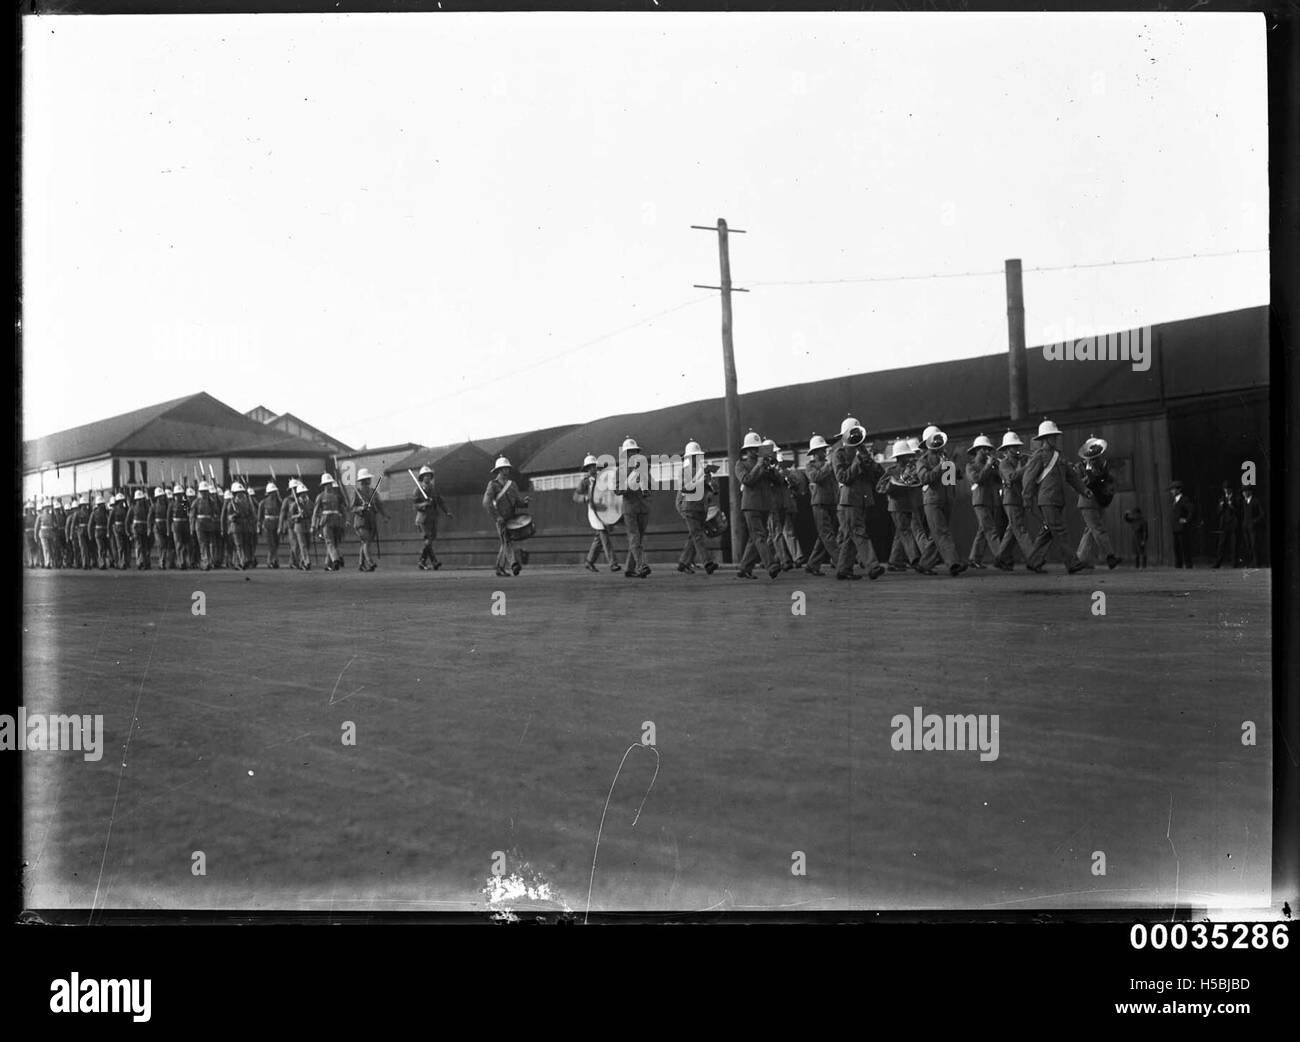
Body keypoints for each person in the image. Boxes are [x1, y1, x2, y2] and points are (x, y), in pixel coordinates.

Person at [1022, 419, 1092, 574]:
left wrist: (1083, 489)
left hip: (1057, 500)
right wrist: (1027, 499)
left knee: (1047, 532)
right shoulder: (1039, 456)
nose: (1055, 439)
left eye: (1055, 436)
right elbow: (1028, 478)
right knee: (1060, 531)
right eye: (1052, 436)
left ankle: (1033, 561)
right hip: (1047, 500)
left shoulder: (1058, 457)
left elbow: (1071, 476)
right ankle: (1072, 563)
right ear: (1045, 439)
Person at [832, 416, 886, 582]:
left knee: (850, 536)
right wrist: (857, 462)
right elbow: (842, 477)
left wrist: (869, 462)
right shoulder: (838, 454)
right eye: (852, 434)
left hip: (862, 499)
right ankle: (872, 566)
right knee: (859, 533)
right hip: (850, 500)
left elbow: (877, 475)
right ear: (844, 436)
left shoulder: (862, 452)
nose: (855, 438)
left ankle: (843, 569)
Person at [915, 425, 966, 577]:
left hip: (947, 499)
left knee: (936, 535)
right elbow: (925, 478)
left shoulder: (945, 457)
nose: (937, 442)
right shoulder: (922, 461)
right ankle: (954, 563)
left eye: (938, 439)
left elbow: (952, 478)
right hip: (932, 501)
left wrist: (953, 466)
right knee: (942, 532)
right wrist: (940, 467)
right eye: (934, 439)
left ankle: (924, 565)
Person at [734, 431, 780, 580]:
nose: (755, 450)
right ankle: (771, 564)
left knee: (756, 538)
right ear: (746, 450)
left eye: (757, 447)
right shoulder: (740, 464)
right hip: (750, 505)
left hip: (764, 504)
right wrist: (759, 466)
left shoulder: (764, 463)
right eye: (752, 448)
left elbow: (777, 481)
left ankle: (744, 568)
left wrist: (770, 468)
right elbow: (747, 480)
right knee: (759, 536)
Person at [1074, 435, 1121, 569]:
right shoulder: (1079, 467)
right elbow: (1077, 484)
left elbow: (1105, 481)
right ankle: (1110, 556)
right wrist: (1090, 476)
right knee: (1098, 529)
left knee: (1090, 531)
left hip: (1098, 501)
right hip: (1087, 502)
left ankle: (1080, 559)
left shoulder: (1101, 465)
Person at [993, 431, 1036, 571]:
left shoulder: (1020, 460)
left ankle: (1000, 558)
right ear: (1006, 449)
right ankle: (1034, 559)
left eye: (1017, 446)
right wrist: (1027, 466)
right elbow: (1011, 477)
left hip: (1019, 498)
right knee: (1020, 529)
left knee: (1012, 530)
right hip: (1010, 499)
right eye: (1013, 446)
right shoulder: (1004, 463)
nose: (1017, 448)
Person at [675, 440, 717, 575]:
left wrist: (710, 481)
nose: (697, 459)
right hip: (690, 508)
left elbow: (712, 491)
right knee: (698, 536)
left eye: (698, 456)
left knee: (693, 536)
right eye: (694, 456)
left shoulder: (702, 472)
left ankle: (683, 562)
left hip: (701, 508)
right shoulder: (683, 472)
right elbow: (685, 488)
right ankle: (708, 562)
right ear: (688, 458)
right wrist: (700, 479)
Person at [574, 455, 620, 572]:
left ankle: (589, 561)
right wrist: (585, 498)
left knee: (599, 538)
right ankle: (613, 563)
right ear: (586, 469)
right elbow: (575, 496)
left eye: (593, 466)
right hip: (594, 511)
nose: (592, 469)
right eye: (589, 467)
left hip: (604, 510)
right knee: (604, 535)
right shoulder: (585, 482)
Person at [484, 457, 528, 577]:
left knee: (505, 542)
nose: (506, 471)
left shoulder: (512, 484)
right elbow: (486, 503)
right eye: (503, 468)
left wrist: (524, 502)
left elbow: (517, 501)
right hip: (501, 518)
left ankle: (500, 567)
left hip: (511, 517)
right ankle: (513, 564)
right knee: (506, 540)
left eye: (507, 468)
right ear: (498, 470)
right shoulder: (493, 485)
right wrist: (497, 517)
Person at [803, 434, 838, 577]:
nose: (824, 452)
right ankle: (842, 562)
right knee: (827, 535)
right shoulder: (809, 466)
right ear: (815, 453)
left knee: (823, 536)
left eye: (824, 449)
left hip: (831, 502)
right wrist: (828, 465)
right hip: (819, 503)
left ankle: (812, 565)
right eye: (821, 450)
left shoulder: (829, 464)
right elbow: (815, 478)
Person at [617, 436, 652, 579]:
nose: (633, 454)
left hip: (643, 507)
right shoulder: (621, 470)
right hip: (629, 507)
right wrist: (629, 485)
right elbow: (616, 490)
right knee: (634, 537)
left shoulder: (644, 468)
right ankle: (641, 565)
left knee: (638, 539)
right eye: (630, 452)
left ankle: (629, 569)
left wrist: (646, 487)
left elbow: (650, 486)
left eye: (634, 451)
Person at [964, 434, 1001, 569]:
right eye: (983, 449)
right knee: (991, 530)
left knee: (983, 531)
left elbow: (1000, 480)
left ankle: (974, 558)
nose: (987, 452)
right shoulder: (971, 466)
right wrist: (988, 466)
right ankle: (1001, 557)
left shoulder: (990, 466)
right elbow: (977, 479)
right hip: (980, 502)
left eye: (988, 449)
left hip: (991, 501)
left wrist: (997, 467)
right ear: (976, 450)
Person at [413, 465, 454, 571]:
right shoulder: (418, 490)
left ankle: (430, 562)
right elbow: (415, 505)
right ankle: (426, 560)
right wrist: (425, 504)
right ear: (421, 478)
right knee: (428, 540)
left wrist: (447, 512)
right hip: (422, 519)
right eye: (425, 476)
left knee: (431, 540)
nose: (427, 477)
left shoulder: (433, 489)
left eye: (429, 475)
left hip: (433, 518)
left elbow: (440, 501)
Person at [351, 468, 389, 572]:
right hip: (360, 522)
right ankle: (370, 562)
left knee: (364, 543)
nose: (369, 480)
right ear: (362, 481)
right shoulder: (357, 493)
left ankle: (361, 564)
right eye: (367, 478)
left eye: (369, 478)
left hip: (371, 521)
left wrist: (385, 516)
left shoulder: (373, 492)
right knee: (366, 541)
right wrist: (361, 508)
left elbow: (380, 505)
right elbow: (352, 508)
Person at [311, 473, 348, 572]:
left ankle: (331, 562)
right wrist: (313, 525)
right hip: (326, 521)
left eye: (330, 483)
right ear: (323, 485)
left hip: (336, 521)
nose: (329, 485)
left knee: (333, 543)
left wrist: (346, 520)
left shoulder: (337, 496)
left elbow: (343, 509)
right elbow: (315, 512)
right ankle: (333, 561)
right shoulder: (320, 496)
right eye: (327, 484)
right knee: (329, 542)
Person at [1212, 479, 1238, 569]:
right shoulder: (1221, 498)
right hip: (1224, 525)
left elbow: (1240, 512)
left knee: (1234, 545)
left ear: (1231, 489)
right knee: (1221, 545)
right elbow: (1217, 512)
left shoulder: (1237, 498)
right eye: (1225, 489)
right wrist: (1220, 506)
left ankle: (1234, 563)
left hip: (1233, 524)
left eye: (1228, 488)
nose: (1226, 490)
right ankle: (1218, 563)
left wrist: (1231, 506)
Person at [1169, 480, 1195, 568]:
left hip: (1182, 528)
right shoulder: (1174, 500)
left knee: (1184, 547)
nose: (1171, 491)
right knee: (1176, 548)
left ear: (1178, 490)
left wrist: (1187, 520)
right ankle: (1178, 565)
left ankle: (1188, 565)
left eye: (1173, 489)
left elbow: (1191, 510)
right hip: (1175, 527)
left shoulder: (1184, 499)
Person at [260, 481, 284, 569]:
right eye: (271, 493)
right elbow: (260, 516)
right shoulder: (263, 503)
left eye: (274, 492)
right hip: (267, 524)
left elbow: (282, 513)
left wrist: (282, 525)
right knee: (271, 544)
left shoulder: (279, 502)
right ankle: (273, 561)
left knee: (276, 544)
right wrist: (259, 526)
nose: (273, 494)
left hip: (277, 523)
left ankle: (271, 560)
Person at [149, 487, 173, 569]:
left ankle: (163, 561)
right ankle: (161, 562)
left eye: (162, 496)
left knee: (165, 545)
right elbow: (150, 518)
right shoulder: (154, 506)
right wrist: (149, 528)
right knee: (161, 544)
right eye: (159, 497)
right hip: (157, 527)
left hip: (165, 526)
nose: (161, 498)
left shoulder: (167, 505)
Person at [169, 485, 191, 570]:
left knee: (185, 545)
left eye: (180, 494)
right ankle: (181, 562)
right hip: (176, 526)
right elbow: (169, 517)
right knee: (178, 544)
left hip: (184, 525)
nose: (179, 496)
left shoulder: (185, 503)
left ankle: (184, 561)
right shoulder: (172, 504)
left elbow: (188, 513)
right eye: (177, 494)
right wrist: (169, 528)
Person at [1239, 486, 1263, 567]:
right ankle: (1250, 563)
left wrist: (1254, 521)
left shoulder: (1256, 501)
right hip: (1245, 527)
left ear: (1249, 492)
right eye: (1243, 492)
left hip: (1253, 528)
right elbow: (1242, 514)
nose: (1243, 493)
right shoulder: (1244, 502)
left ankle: (1256, 563)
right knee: (1248, 545)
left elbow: (1262, 514)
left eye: (1245, 491)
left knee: (1254, 545)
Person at [128, 489, 151, 569]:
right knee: (139, 546)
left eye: (141, 499)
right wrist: (129, 532)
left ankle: (145, 562)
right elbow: (128, 520)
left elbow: (149, 517)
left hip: (144, 528)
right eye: (139, 499)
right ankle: (139, 562)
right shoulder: (132, 508)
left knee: (144, 546)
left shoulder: (146, 508)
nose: (140, 501)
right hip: (136, 528)